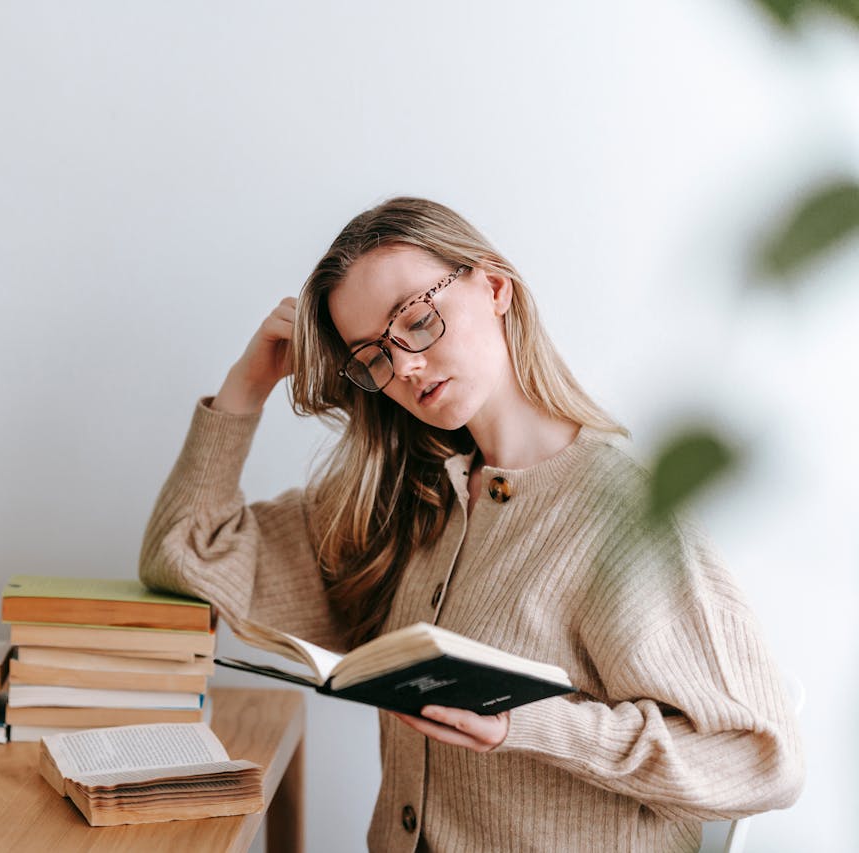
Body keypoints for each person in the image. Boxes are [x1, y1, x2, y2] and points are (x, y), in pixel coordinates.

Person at [139, 196, 803, 851]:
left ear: (494, 286)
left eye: (418, 321)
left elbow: (760, 758)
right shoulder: (412, 499)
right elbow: (187, 552)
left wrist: (533, 724)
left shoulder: (619, 514)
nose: (406, 367)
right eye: (374, 356)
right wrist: (246, 387)